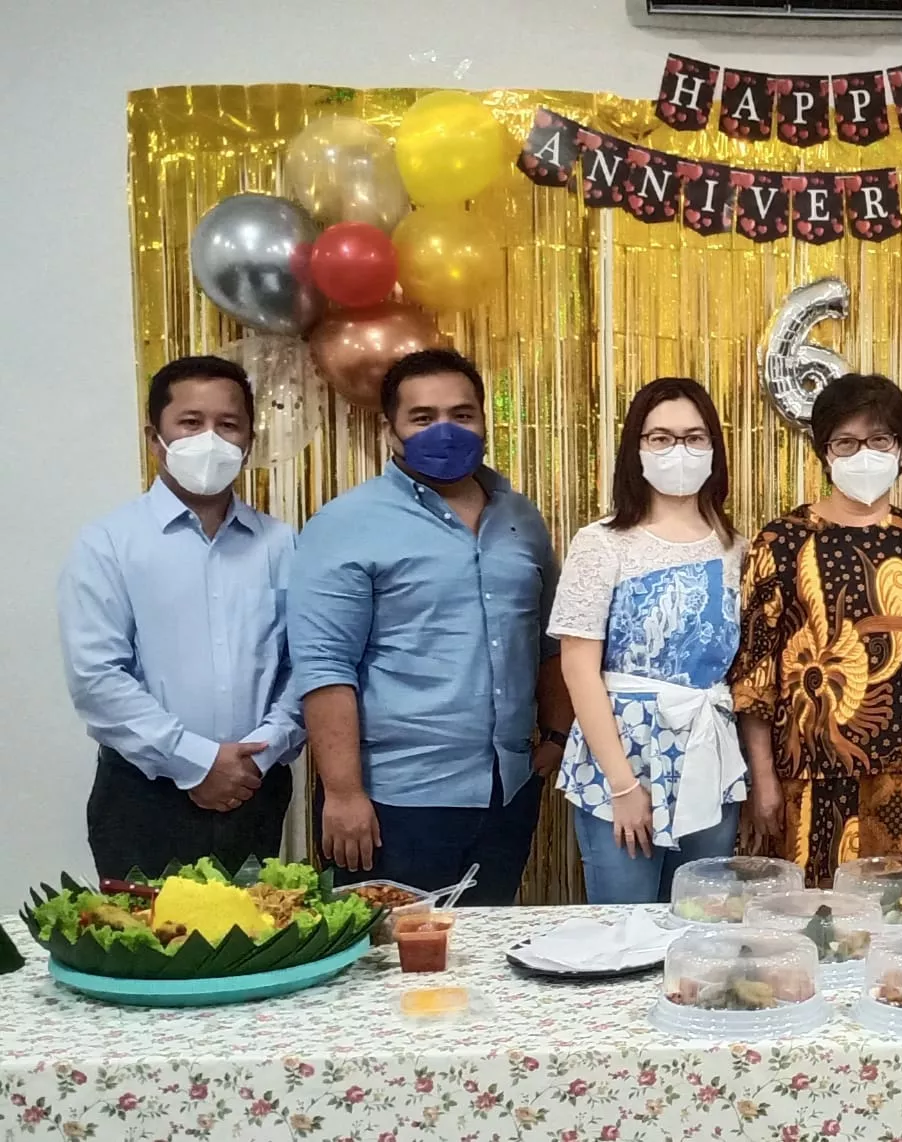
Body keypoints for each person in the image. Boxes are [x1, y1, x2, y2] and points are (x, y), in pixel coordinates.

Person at [289, 348, 572, 905]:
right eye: (423, 418)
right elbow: (324, 666)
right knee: (393, 954)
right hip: (397, 799)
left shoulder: (520, 517)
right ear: (389, 429)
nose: (445, 431)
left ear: (484, 421)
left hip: (507, 792)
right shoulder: (345, 523)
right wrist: (343, 793)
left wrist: (558, 736)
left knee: (483, 948)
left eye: (462, 415)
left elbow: (549, 639)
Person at [59, 355, 302, 878]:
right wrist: (195, 761)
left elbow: (305, 665)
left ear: (249, 442)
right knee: (144, 931)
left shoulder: (281, 544)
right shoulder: (109, 543)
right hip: (143, 795)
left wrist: (261, 753)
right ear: (156, 438)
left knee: (259, 927)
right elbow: (97, 677)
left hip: (254, 789)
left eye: (228, 424)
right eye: (191, 422)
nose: (210, 439)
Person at [730, 373, 902, 886]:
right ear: (824, 452)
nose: (864, 455)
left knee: (901, 916)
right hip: (805, 775)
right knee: (812, 917)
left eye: (879, 440)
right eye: (846, 443)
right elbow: (754, 676)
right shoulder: (780, 543)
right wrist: (762, 778)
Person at [549, 377, 748, 904]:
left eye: (694, 437)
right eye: (660, 438)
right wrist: (623, 784)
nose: (678, 450)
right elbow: (578, 668)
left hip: (709, 752)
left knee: (704, 921)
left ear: (714, 448)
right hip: (624, 754)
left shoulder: (737, 549)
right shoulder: (601, 544)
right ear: (635, 449)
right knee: (628, 922)